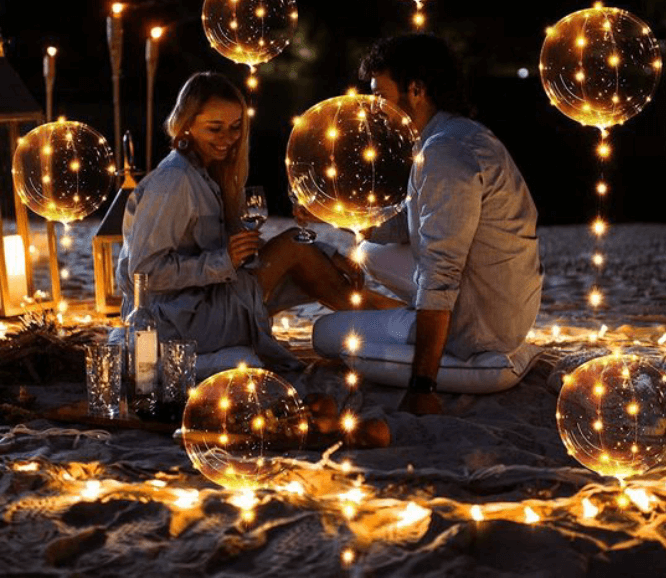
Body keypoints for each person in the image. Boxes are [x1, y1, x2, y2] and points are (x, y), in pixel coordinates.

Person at [312, 34, 543, 414]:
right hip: (497, 295)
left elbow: (441, 272)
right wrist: (335, 214)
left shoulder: (446, 156)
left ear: (416, 90)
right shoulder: (454, 134)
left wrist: (423, 386)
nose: (375, 108)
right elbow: (408, 226)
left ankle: (405, 326)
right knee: (366, 251)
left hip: (479, 331)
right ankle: (396, 317)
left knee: (324, 334)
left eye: (381, 95)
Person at [116, 71, 398, 373]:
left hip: (205, 300)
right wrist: (222, 260)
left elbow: (246, 251)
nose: (227, 139)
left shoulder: (205, 173)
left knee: (301, 252)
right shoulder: (174, 180)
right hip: (179, 321)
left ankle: (398, 321)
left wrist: (329, 255)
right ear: (185, 125)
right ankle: (402, 323)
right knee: (294, 245)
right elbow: (143, 273)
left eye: (236, 127)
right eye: (215, 129)